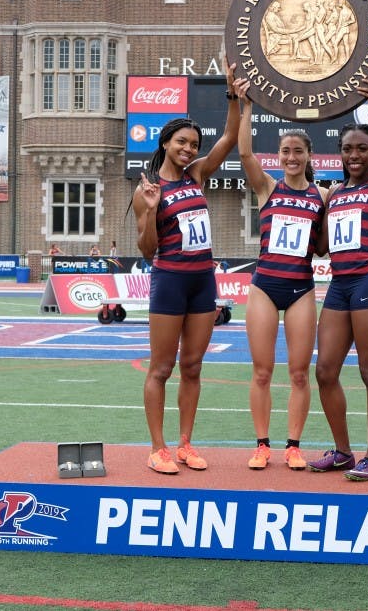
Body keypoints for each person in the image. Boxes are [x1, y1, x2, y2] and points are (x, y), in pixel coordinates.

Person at [132, 62, 247, 475]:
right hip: (169, 280)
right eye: (182, 142)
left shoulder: (197, 174)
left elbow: (231, 137)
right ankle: (157, 447)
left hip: (202, 280)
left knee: (193, 366)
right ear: (165, 142)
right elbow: (148, 250)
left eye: (194, 143)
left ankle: (184, 444)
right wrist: (147, 212)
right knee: (161, 368)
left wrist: (233, 95)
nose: (189, 149)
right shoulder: (147, 186)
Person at [307, 81, 368, 482]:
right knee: (325, 371)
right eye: (347, 149)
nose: (354, 155)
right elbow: (324, 249)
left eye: (361, 148)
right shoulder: (335, 193)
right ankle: (344, 451)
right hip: (339, 284)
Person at [237, 91, 328, 471]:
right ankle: (262, 444)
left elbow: (322, 250)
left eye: (298, 151)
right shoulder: (268, 188)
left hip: (300, 289)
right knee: (262, 370)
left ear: (309, 156)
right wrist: (246, 107)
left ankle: (293, 446)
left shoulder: (322, 195)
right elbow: (244, 155)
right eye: (285, 151)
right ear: (278, 155)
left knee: (298, 372)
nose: (291, 157)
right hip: (264, 286)